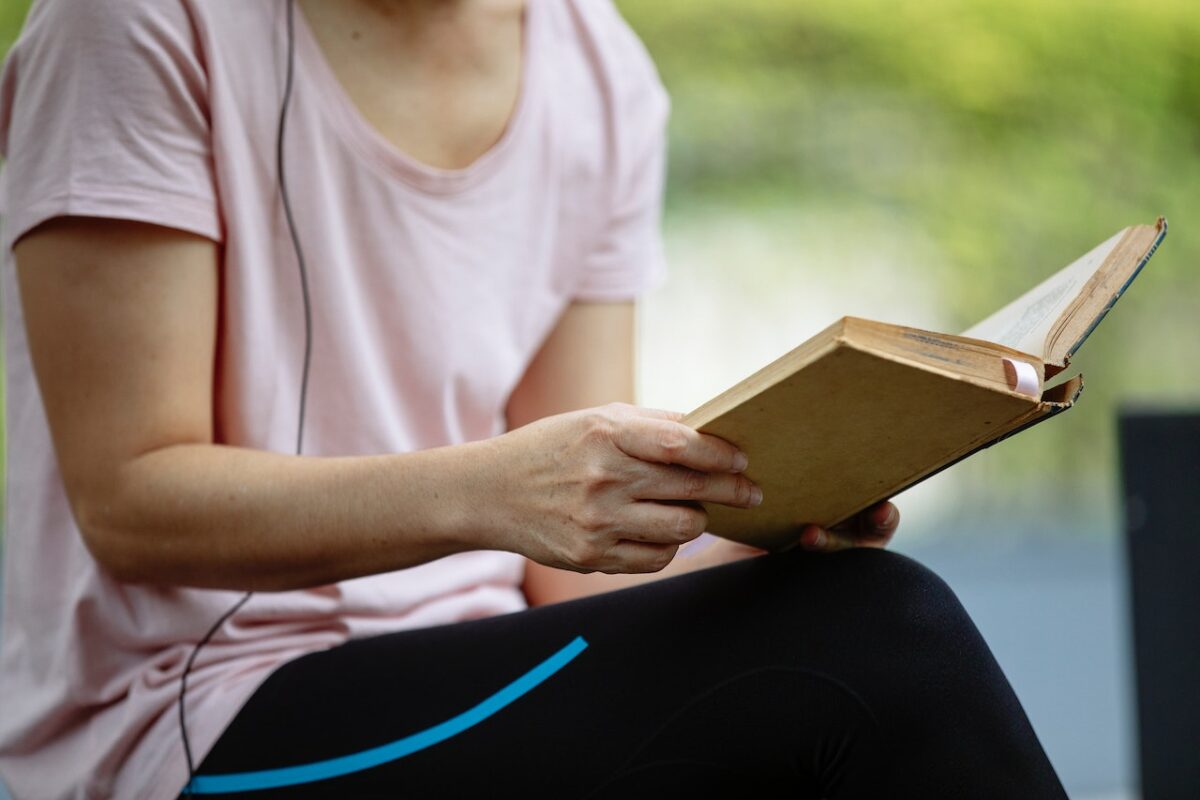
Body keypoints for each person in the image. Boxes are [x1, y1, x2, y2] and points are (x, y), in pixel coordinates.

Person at [0, 0, 1068, 797]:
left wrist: (771, 528)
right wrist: (495, 489)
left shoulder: (597, 70)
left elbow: (561, 580)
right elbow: (128, 504)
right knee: (885, 635)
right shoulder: (136, 28)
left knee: (850, 611)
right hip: (187, 720)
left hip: (483, 662)